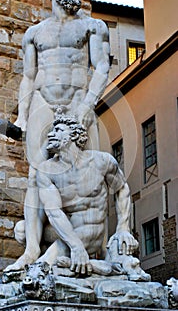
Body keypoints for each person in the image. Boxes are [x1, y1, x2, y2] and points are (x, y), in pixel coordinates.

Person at [5, 0, 110, 272]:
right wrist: (22, 117)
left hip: (78, 102)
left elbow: (101, 67)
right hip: (42, 105)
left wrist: (87, 107)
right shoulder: (34, 33)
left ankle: (90, 250)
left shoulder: (94, 27)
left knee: (88, 175)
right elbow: (27, 76)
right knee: (36, 176)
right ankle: (32, 251)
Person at [33, 114, 139, 275]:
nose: (50, 134)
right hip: (69, 235)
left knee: (42, 274)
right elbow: (53, 212)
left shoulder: (102, 161)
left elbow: (122, 188)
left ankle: (92, 265)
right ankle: (96, 266)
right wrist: (76, 247)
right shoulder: (46, 171)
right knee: (37, 271)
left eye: (58, 130)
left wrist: (123, 228)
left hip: (93, 235)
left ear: (74, 135)